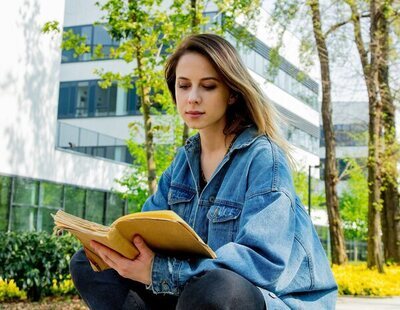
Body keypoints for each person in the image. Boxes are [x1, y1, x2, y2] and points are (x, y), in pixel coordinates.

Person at [70, 33, 338, 310]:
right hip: (193, 293)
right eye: (183, 86)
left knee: (218, 287)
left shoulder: (264, 159)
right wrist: (116, 249)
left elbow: (261, 264)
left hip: (274, 300)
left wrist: (161, 272)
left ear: (232, 93)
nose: (193, 98)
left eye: (208, 86)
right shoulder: (183, 162)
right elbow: (144, 233)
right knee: (90, 264)